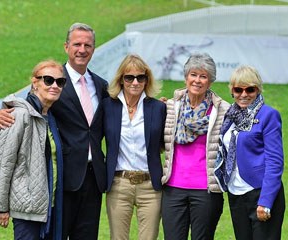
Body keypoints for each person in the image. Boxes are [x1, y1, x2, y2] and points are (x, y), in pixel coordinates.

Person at [0, 22, 109, 240]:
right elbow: (24, 104)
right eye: (77, 44)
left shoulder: (102, 86)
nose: (82, 49)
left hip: (93, 180)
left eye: (87, 45)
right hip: (62, 181)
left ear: (93, 48)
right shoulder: (53, 80)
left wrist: (159, 105)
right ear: (66, 47)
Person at [0, 59, 65, 240]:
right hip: (27, 209)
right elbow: (3, 163)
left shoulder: (50, 117)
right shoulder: (18, 115)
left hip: (50, 207)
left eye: (60, 82)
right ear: (35, 82)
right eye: (48, 80)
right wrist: (0, 206)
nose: (54, 85)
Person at [161, 52, 230, 240]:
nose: (197, 80)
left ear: (210, 81)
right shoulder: (169, 107)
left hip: (206, 191)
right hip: (173, 188)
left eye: (203, 76)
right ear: (186, 77)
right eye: (193, 74)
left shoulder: (223, 110)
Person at [214, 65, 285, 240]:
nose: (244, 94)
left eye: (250, 89)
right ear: (232, 90)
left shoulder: (268, 115)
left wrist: (266, 201)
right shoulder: (230, 116)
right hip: (236, 193)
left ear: (258, 89)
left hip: (260, 192)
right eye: (238, 89)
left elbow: (275, 162)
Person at [103, 54, 166, 239]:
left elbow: (165, 142)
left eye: (141, 77)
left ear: (147, 80)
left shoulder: (158, 108)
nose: (135, 82)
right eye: (129, 77)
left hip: (150, 185)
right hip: (119, 184)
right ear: (121, 80)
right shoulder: (108, 106)